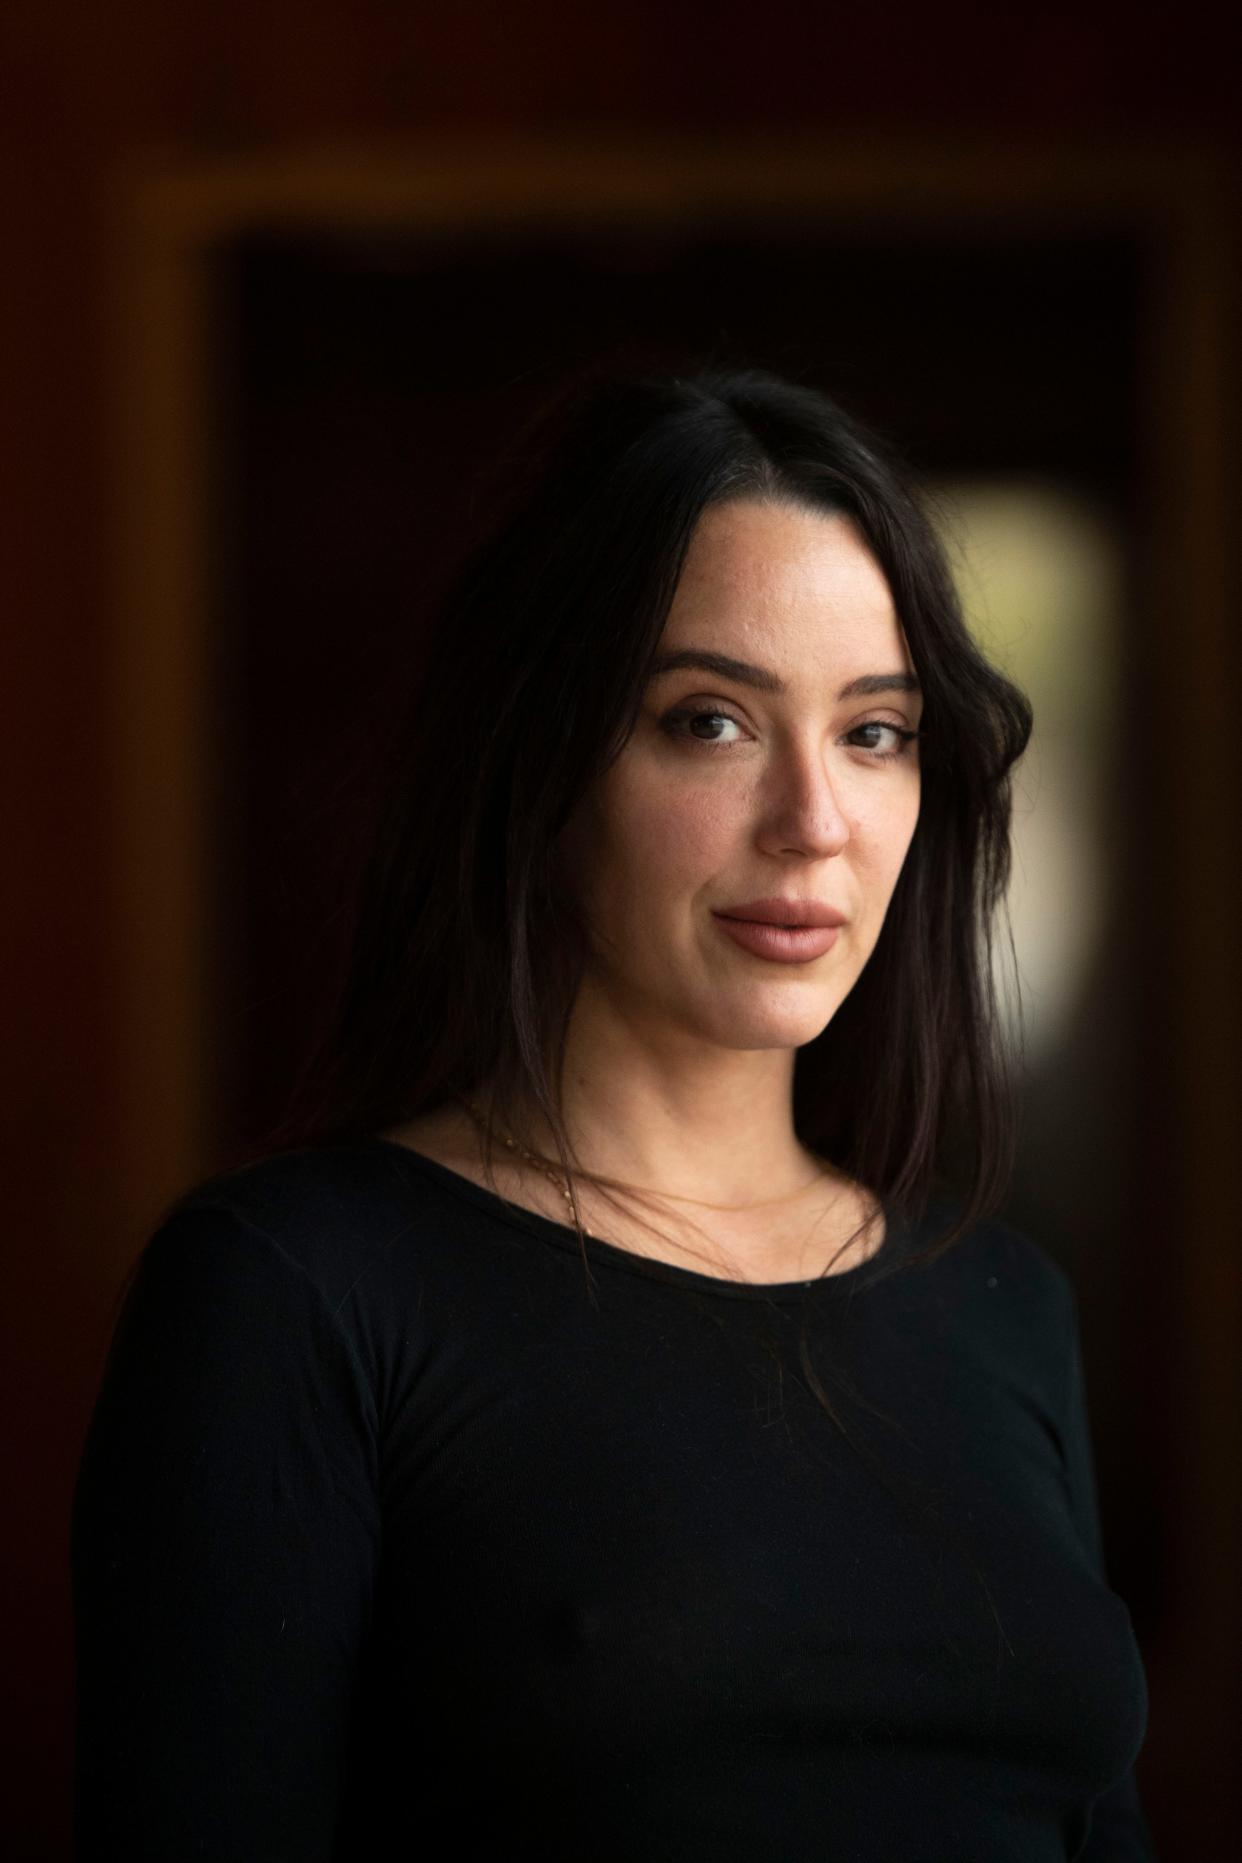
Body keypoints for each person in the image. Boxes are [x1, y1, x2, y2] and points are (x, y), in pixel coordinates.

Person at [71, 366, 1155, 1858]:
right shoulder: (300, 1292)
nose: (813, 820)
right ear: (545, 764)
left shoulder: (1000, 1302)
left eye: (874, 732)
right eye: (708, 721)